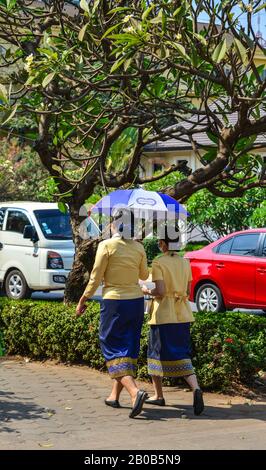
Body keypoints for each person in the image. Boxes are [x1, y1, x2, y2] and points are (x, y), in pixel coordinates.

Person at [76, 208, 149, 418]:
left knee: (111, 346)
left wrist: (83, 298)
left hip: (114, 303)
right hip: (136, 302)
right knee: (126, 346)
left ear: (114, 224)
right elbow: (144, 274)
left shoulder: (106, 245)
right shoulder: (138, 247)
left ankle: (135, 392)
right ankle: (114, 397)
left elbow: (95, 277)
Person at [142, 234, 204, 416]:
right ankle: (195, 388)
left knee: (155, 354)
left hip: (163, 315)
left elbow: (160, 291)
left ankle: (158, 395)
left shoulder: (159, 262)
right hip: (183, 313)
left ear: (163, 243)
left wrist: (146, 290)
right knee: (182, 353)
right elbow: (188, 290)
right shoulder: (185, 262)